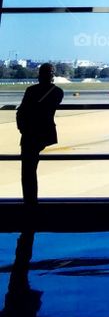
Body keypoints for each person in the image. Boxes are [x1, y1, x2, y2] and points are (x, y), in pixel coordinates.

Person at [16, 65, 63, 210]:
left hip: (29, 133)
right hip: (45, 133)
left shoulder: (31, 90)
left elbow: (22, 110)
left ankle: (30, 203)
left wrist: (23, 129)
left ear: (39, 75)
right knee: (30, 171)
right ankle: (32, 203)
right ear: (52, 76)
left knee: (27, 172)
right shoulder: (57, 92)